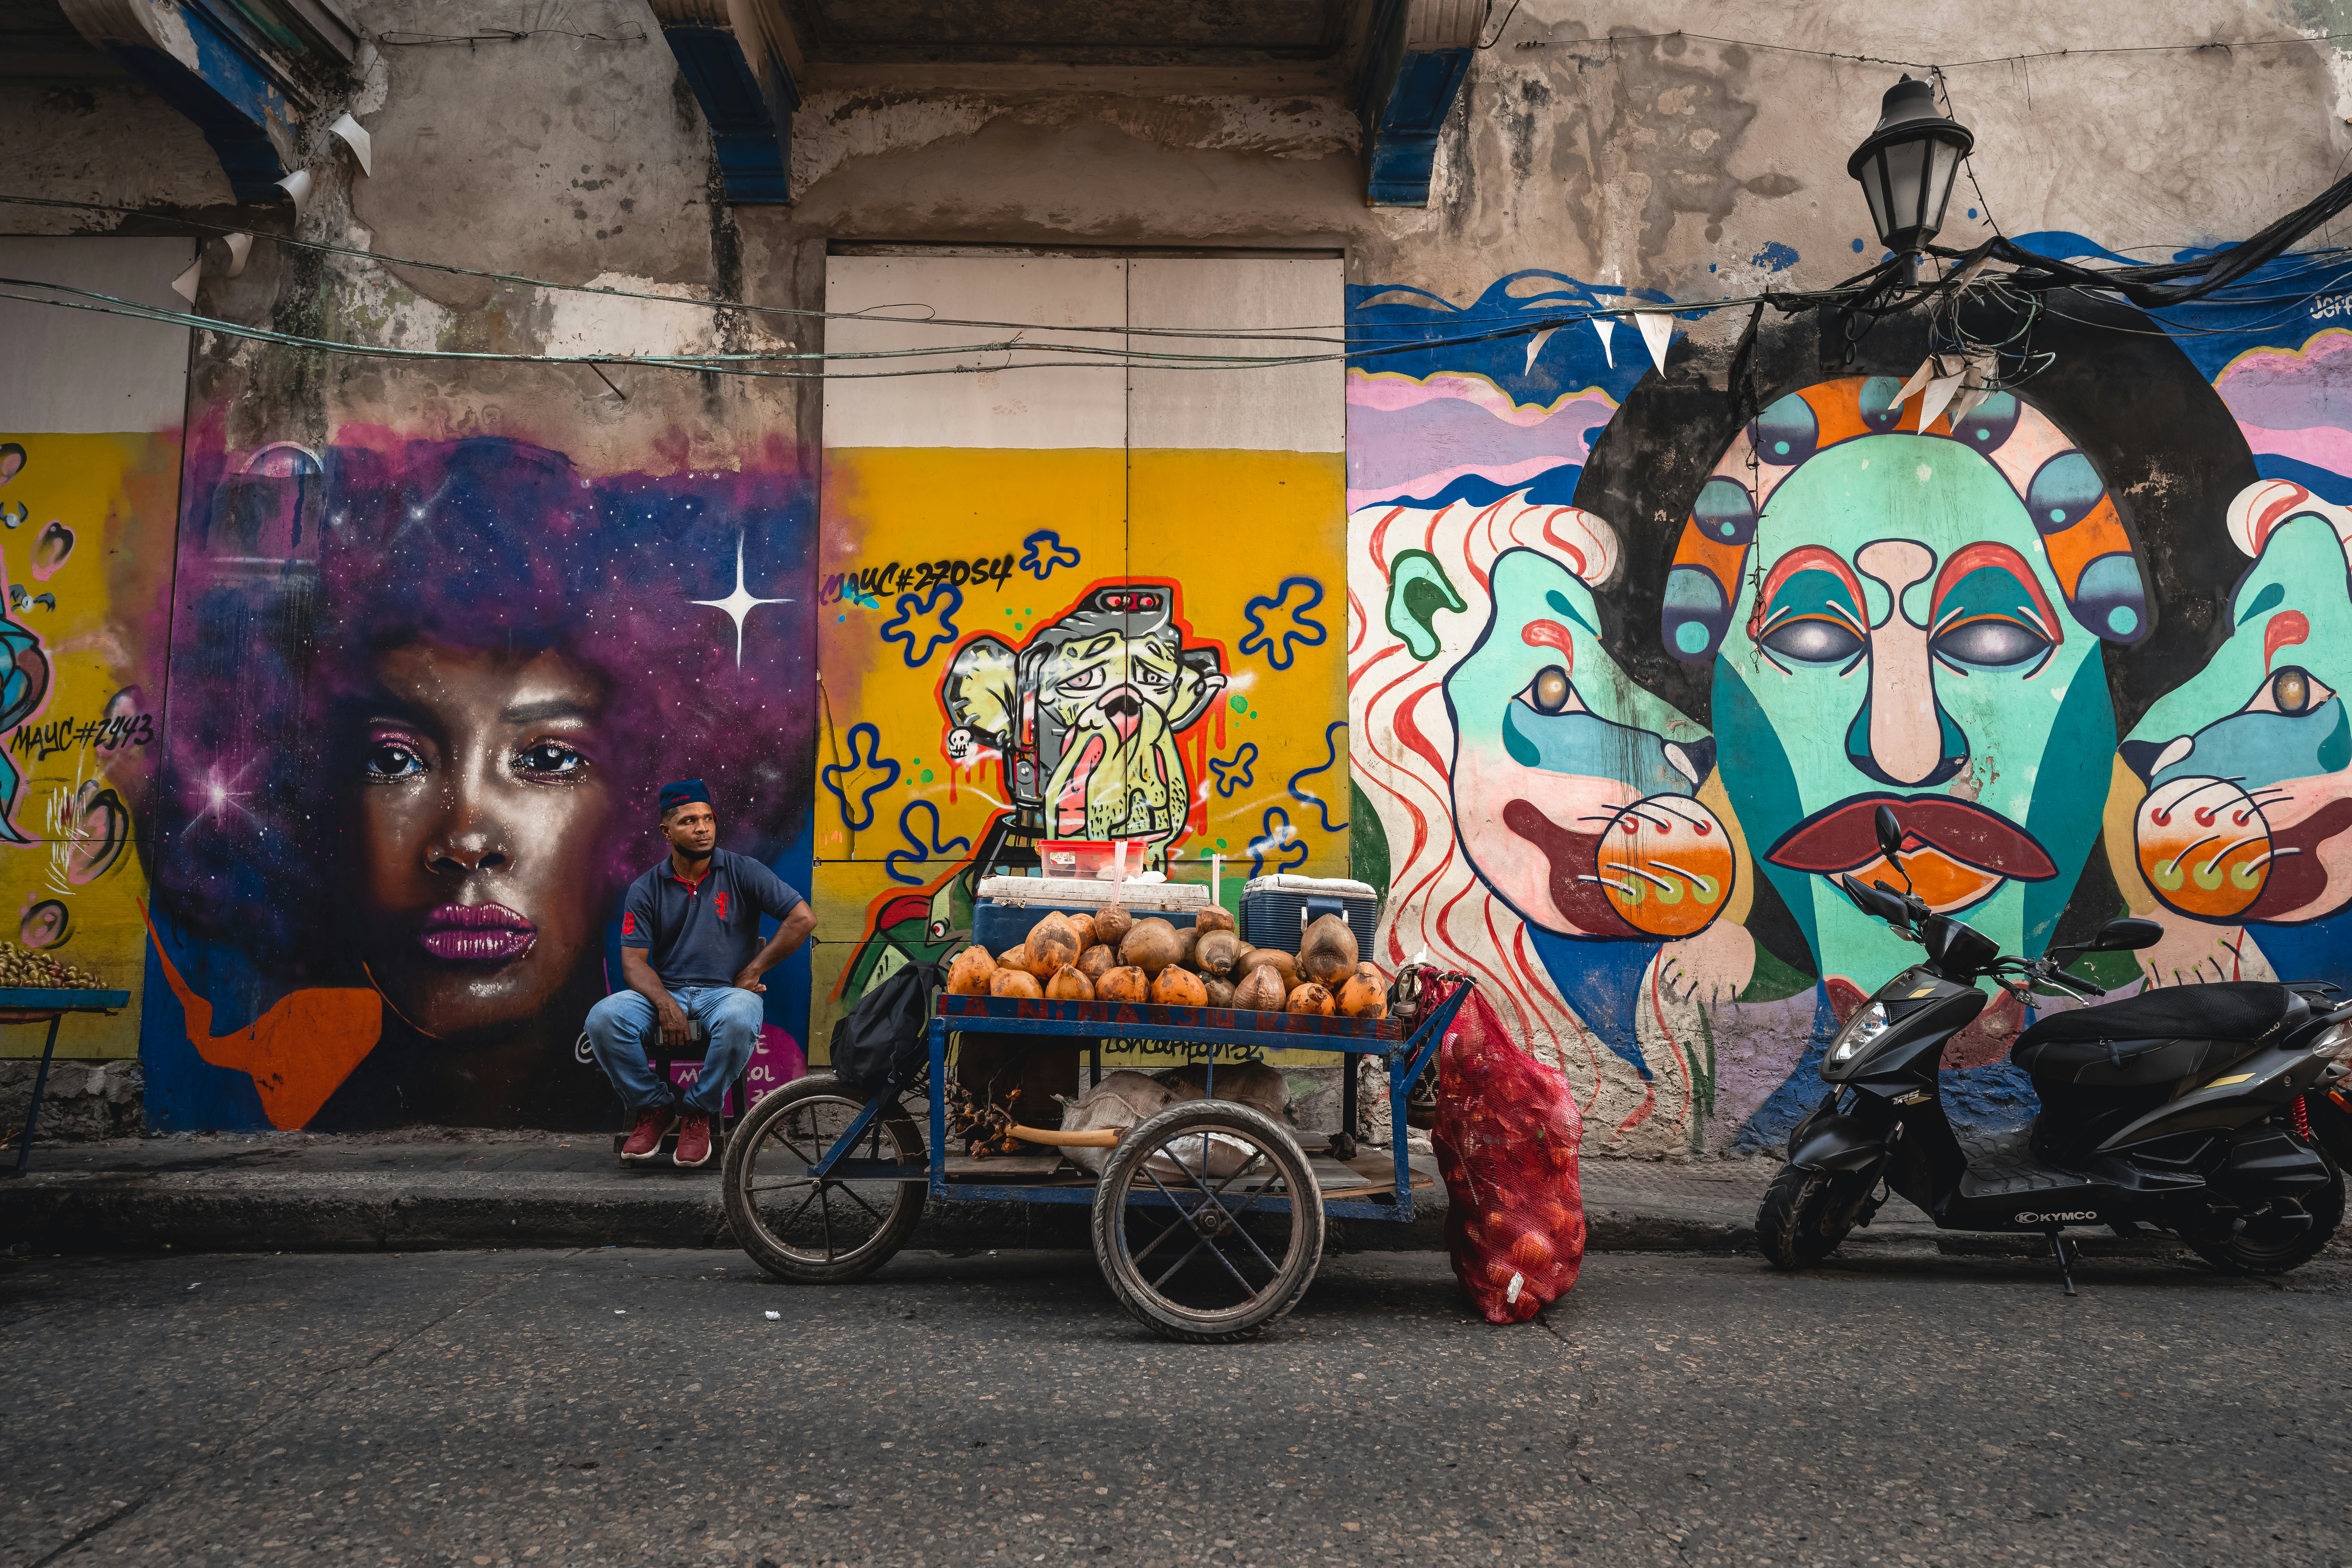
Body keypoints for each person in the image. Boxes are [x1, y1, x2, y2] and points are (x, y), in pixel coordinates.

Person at [588, 778, 815, 1166]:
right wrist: (663, 1003)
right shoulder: (647, 888)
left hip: (725, 994)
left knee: (741, 1016)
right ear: (666, 831)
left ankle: (699, 1112)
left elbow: (802, 919)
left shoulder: (743, 871)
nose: (703, 828)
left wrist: (755, 969)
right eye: (689, 821)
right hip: (668, 990)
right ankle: (655, 1107)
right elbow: (633, 963)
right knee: (604, 1018)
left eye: (708, 819)